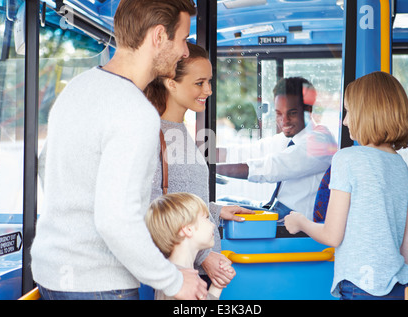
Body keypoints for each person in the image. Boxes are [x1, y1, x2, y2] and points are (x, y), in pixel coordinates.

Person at [31, 0, 208, 300]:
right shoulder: (134, 111)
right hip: (99, 285)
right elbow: (116, 221)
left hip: (52, 277)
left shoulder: (76, 89)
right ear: (158, 37)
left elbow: (47, 168)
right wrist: (175, 282)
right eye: (183, 39)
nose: (185, 52)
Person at [284, 71, 408, 300]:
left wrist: (299, 221)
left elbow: (332, 235)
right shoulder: (400, 165)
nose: (345, 121)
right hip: (399, 286)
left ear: (368, 114)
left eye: (348, 112)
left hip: (360, 285)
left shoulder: (347, 158)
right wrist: (398, 281)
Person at [144, 42, 252, 289]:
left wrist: (215, 211)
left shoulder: (178, 129)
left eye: (210, 82)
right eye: (199, 83)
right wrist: (205, 258)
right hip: (180, 275)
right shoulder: (154, 134)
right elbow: (152, 210)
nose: (209, 90)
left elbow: (174, 196)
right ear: (171, 83)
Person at [216, 77, 337, 221]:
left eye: (292, 113)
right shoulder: (290, 137)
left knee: (219, 211)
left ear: (308, 110)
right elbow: (251, 151)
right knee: (222, 201)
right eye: (279, 113)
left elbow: (270, 168)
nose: (284, 121)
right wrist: (202, 154)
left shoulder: (320, 142)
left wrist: (213, 170)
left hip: (294, 221)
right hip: (275, 208)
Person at [145, 192, 234, 300]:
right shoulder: (181, 281)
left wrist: (217, 285)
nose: (213, 224)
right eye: (206, 218)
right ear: (188, 229)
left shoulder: (183, 274)